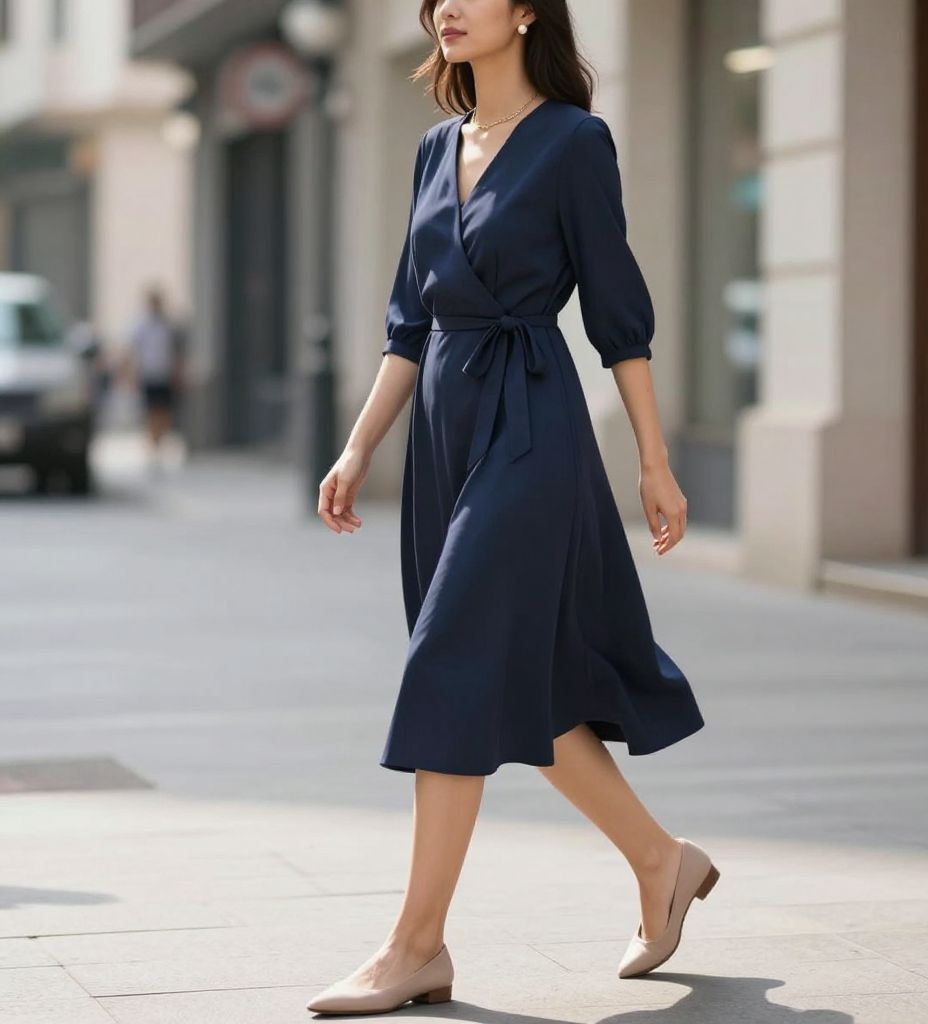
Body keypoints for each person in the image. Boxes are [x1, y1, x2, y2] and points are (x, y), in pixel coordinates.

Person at [310, 1, 716, 1014]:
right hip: (446, 434)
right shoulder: (433, 148)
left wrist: (654, 465)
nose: (447, 6)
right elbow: (409, 323)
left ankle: (415, 945)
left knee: (451, 657)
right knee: (517, 684)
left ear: (526, 11)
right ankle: (660, 860)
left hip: (531, 426)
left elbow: (618, 314)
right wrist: (360, 447)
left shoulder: (575, 144)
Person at [121, 286, 186, 471]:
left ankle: (160, 443)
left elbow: (178, 353)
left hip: (165, 375)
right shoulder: (141, 325)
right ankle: (153, 447)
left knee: (164, 413)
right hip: (148, 375)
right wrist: (129, 375)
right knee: (151, 413)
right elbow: (131, 351)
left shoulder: (169, 325)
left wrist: (179, 374)